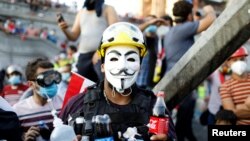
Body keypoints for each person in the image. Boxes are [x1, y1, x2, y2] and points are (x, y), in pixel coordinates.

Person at [60, 22, 176, 141]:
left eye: (131, 59)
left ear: (140, 66)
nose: (122, 66)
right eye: (114, 58)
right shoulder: (77, 105)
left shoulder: (155, 108)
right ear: (103, 66)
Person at [164, 1, 216, 141]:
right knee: (185, 113)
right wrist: (208, 9)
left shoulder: (174, 30)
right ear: (188, 15)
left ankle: (188, 134)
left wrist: (196, 18)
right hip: (181, 78)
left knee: (187, 112)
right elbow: (211, 20)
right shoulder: (183, 28)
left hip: (175, 76)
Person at [58, 0, 118, 82]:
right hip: (83, 56)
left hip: (101, 56)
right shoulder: (81, 12)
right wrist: (64, 29)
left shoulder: (108, 8)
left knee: (102, 86)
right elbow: (73, 36)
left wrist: (99, 52)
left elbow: (115, 32)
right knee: (80, 88)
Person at [13, 58, 64, 141]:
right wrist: (24, 138)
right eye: (45, 79)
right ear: (31, 84)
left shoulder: (65, 104)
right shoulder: (18, 111)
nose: (51, 82)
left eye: (53, 76)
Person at [219, 47, 250, 125]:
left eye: (242, 59)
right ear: (228, 63)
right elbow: (231, 114)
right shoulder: (225, 87)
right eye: (235, 60)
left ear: (246, 61)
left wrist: (239, 109)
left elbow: (235, 112)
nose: (239, 63)